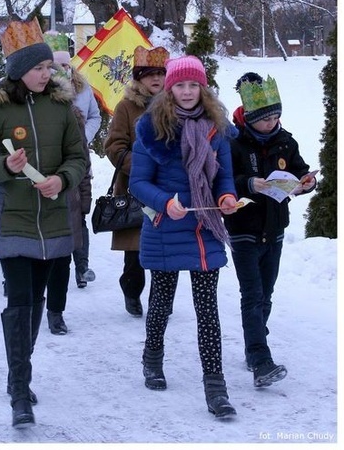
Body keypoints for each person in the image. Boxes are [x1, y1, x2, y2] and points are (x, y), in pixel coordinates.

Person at [0, 19, 86, 428]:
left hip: (53, 220)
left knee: (35, 302)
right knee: (19, 302)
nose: (46, 75)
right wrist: (4, 165)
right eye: (38, 69)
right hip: (12, 219)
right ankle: (20, 388)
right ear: (18, 69)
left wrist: (61, 179)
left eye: (49, 68)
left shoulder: (61, 106)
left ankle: (21, 366)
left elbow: (78, 158)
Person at [129, 55, 240, 418]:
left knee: (207, 310)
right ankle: (152, 357)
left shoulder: (216, 126)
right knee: (162, 302)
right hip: (166, 227)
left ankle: (215, 387)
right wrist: (165, 203)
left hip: (205, 226)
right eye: (181, 85)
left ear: (202, 88)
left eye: (194, 85)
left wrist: (225, 197)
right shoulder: (151, 127)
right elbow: (139, 182)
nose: (188, 91)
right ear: (170, 88)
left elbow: (223, 176)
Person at [225, 72, 316, 387]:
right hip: (243, 229)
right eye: (266, 118)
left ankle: (254, 344)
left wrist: (307, 182)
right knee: (252, 294)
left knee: (267, 293)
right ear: (251, 118)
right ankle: (260, 359)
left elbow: (300, 170)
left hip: (274, 228)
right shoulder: (234, 143)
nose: (272, 122)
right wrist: (249, 184)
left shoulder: (286, 141)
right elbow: (223, 180)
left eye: (276, 116)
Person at [104, 45, 171, 317]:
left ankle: (160, 299)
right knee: (137, 252)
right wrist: (141, 167)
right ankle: (132, 291)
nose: (156, 79)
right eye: (149, 74)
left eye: (160, 73)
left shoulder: (175, 104)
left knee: (165, 250)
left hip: (168, 188)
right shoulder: (127, 107)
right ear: (139, 78)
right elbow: (114, 145)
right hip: (136, 190)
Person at [52, 49, 100, 287]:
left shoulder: (83, 89)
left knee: (78, 218)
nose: (62, 69)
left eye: (65, 65)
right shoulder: (45, 92)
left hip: (79, 159)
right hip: (54, 166)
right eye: (56, 65)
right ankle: (57, 269)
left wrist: (84, 137)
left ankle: (82, 267)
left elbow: (95, 117)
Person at [45, 104, 92, 335]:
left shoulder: (74, 119)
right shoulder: (25, 114)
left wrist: (84, 198)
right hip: (32, 199)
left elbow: (83, 162)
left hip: (66, 199)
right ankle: (30, 305)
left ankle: (55, 311)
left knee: (61, 261)